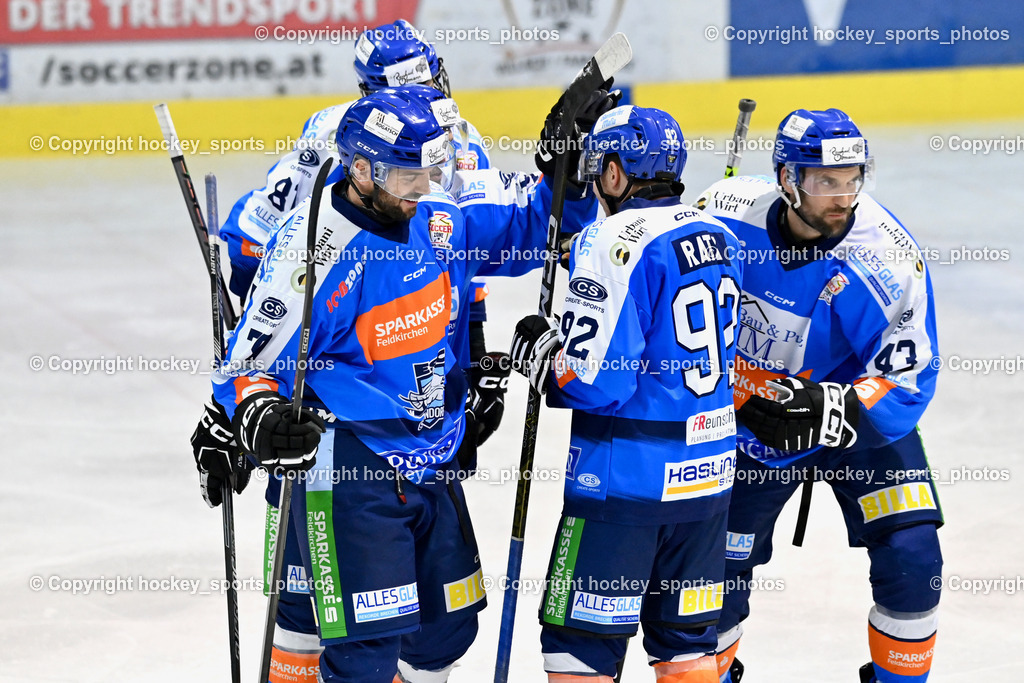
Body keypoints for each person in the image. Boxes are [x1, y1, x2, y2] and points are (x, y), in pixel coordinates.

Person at [203, 84, 604, 683]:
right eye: (404, 178)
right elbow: (244, 370)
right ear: (360, 169)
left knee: (445, 632)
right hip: (355, 465)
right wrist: (258, 418)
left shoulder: (439, 219)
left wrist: (563, 174)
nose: (421, 190)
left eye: (430, 173)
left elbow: (532, 232)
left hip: (435, 457)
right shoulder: (311, 253)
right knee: (367, 652)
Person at [693, 109, 942, 683]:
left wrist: (830, 409)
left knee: (914, 558)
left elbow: (907, 376)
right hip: (749, 420)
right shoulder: (724, 215)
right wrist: (736, 387)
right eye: (826, 181)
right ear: (786, 179)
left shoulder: (884, 256)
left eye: (853, 178)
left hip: (855, 416)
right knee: (712, 575)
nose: (843, 196)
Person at [510, 105, 743, 682]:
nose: (594, 185)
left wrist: (542, 357)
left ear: (616, 175)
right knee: (687, 650)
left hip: (624, 487)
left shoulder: (608, 239)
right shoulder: (721, 234)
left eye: (598, 172)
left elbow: (597, 380)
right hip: (708, 481)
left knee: (579, 648)